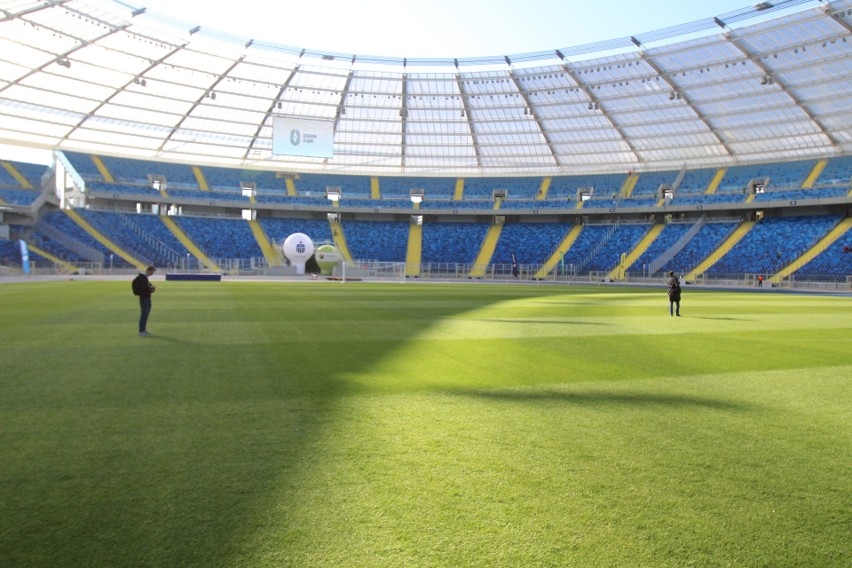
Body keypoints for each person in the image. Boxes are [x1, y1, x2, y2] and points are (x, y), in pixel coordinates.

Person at [132, 266, 156, 336]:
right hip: (144, 299)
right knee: (144, 315)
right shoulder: (143, 278)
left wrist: (150, 288)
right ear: (149, 270)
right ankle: (142, 331)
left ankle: (143, 330)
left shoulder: (143, 278)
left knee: (145, 315)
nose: (152, 274)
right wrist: (150, 288)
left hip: (145, 298)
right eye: (152, 272)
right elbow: (144, 288)